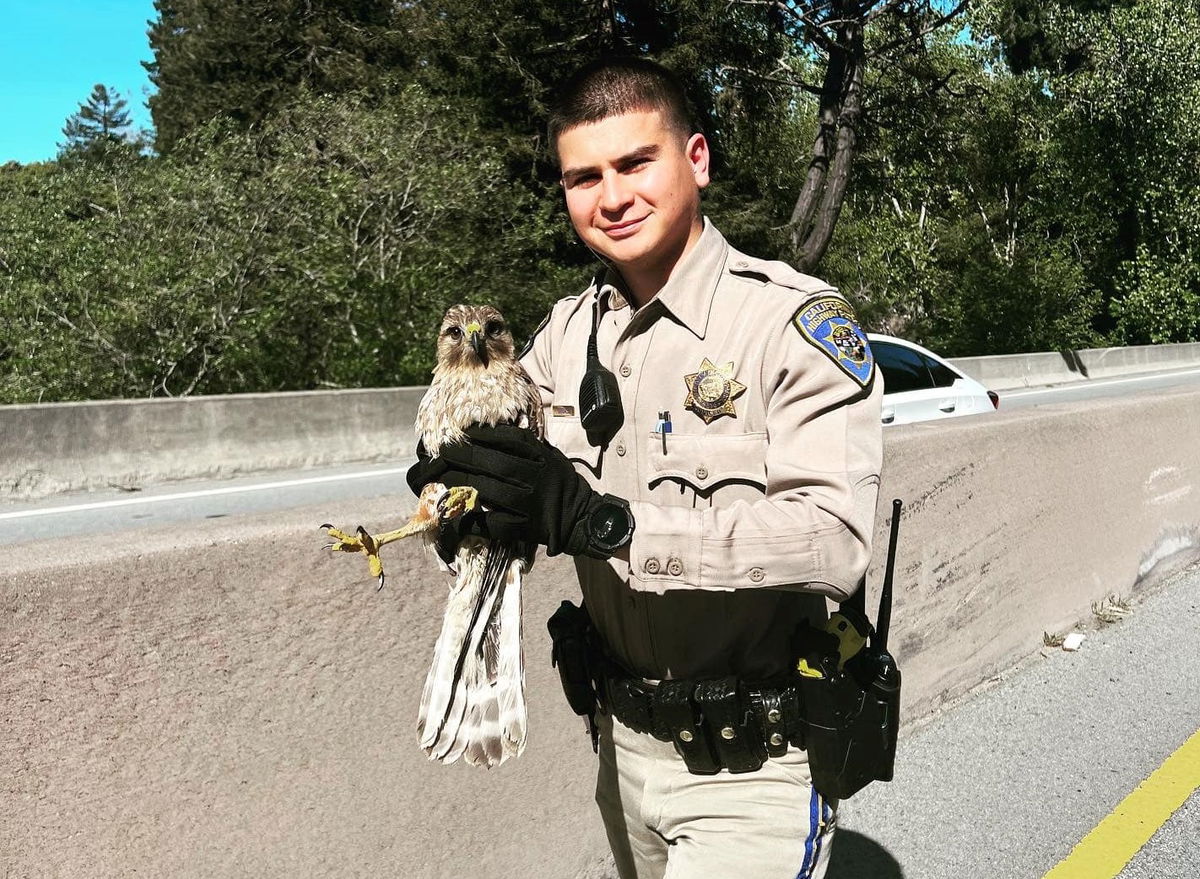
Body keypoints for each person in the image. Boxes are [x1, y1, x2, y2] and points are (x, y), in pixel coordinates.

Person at [408, 56, 883, 879]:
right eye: (583, 177)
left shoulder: (791, 322)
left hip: (755, 767)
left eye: (635, 162)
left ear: (695, 158)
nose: (612, 197)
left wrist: (607, 524)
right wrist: (461, 495)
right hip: (621, 751)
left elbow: (834, 541)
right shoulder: (561, 337)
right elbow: (516, 475)